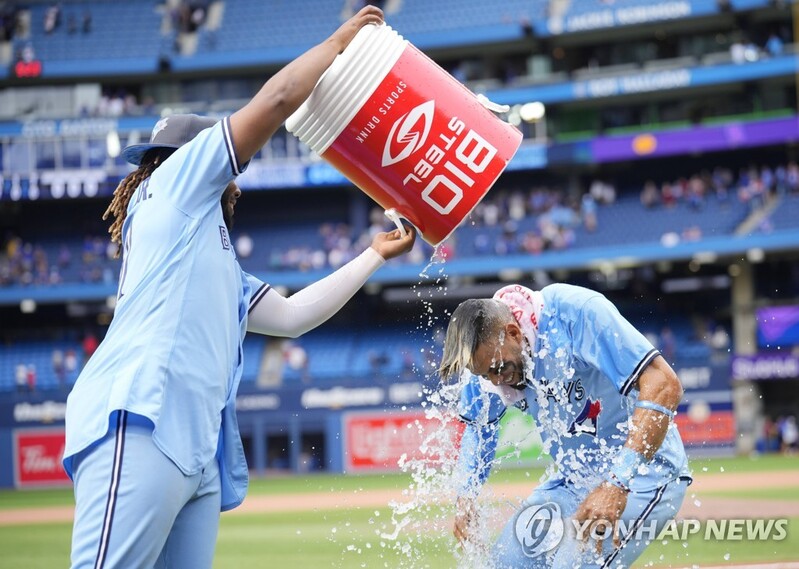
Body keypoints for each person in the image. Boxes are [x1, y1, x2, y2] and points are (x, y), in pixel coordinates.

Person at [62, 6, 411, 569]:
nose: (234, 181)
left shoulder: (205, 251)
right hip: (141, 419)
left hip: (194, 449)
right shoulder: (173, 184)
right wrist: (337, 45)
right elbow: (276, 100)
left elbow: (292, 316)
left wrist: (372, 254)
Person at [439, 283, 691, 568]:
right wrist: (466, 496)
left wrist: (617, 482)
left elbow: (664, 383)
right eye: (485, 375)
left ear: (513, 333)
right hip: (574, 480)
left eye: (499, 369)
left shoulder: (577, 314)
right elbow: (478, 427)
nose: (496, 381)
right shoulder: (488, 357)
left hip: (643, 474)